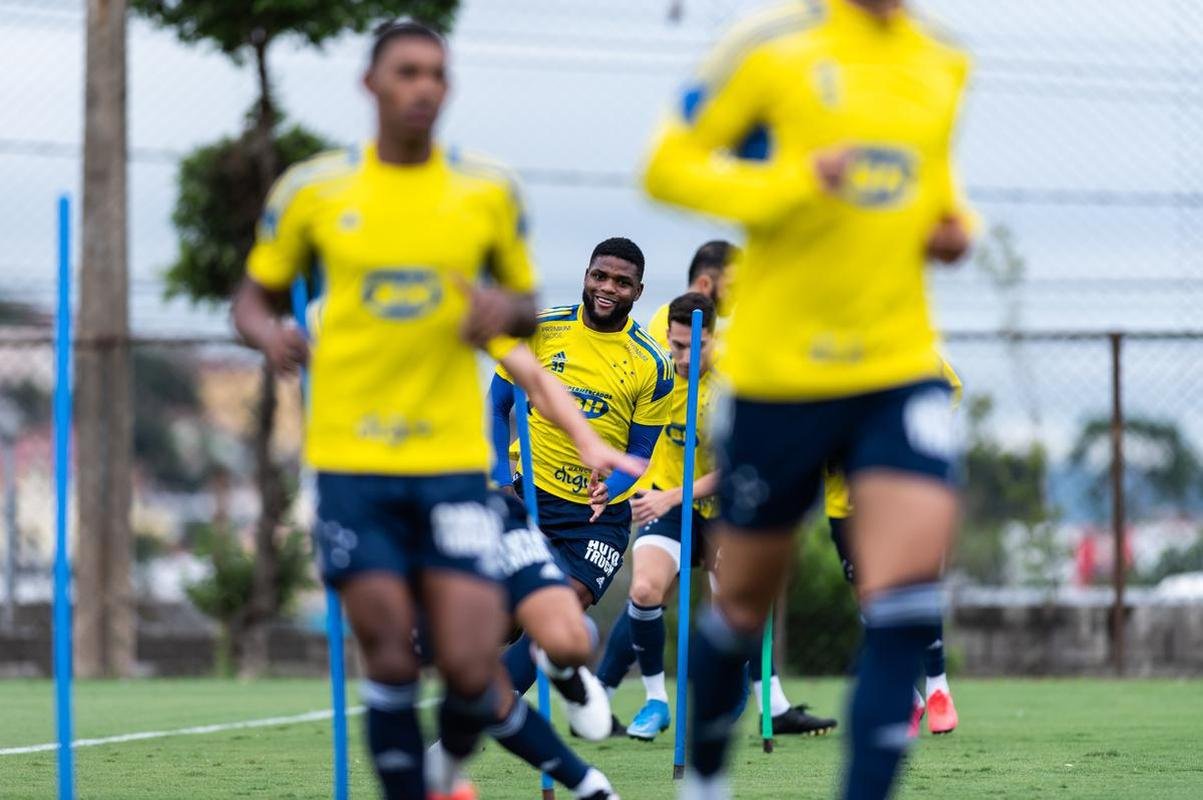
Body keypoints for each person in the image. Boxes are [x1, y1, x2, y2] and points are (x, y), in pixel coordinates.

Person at [642, 1, 975, 797]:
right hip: (780, 371)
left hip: (895, 365)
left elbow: (933, 189)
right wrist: (794, 180)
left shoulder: (941, 61)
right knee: (744, 602)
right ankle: (706, 770)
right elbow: (665, 167)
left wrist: (953, 225)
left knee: (901, 597)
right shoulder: (767, 44)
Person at [232, 20, 539, 800]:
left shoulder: (489, 190)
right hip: (352, 463)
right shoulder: (313, 189)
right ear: (370, 83)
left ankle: (443, 770)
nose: (423, 87)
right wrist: (270, 336)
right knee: (393, 657)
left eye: (437, 73)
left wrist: (502, 309)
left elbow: (529, 302)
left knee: (473, 666)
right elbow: (252, 295)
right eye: (406, 72)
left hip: (451, 465)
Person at [595, 293, 836, 741]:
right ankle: (655, 700)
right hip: (666, 504)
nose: (682, 357)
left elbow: (739, 469)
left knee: (735, 610)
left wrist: (673, 496)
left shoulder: (735, 383)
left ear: (712, 340)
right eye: (675, 345)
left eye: (693, 347)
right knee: (645, 590)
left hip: (724, 512)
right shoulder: (657, 375)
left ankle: (738, 698)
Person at [426, 340, 633, 800]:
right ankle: (588, 783)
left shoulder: (472, 305)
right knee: (472, 643)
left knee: (564, 627)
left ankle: (565, 671)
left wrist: (587, 444)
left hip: (589, 520)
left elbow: (528, 376)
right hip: (455, 500)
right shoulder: (350, 320)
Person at [490, 237, 675, 698]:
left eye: (622, 282)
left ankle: (485, 712)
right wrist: (498, 480)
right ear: (586, 276)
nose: (607, 288)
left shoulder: (653, 364)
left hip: (597, 519)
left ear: (638, 291)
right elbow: (496, 407)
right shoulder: (540, 330)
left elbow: (640, 454)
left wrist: (609, 489)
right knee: (497, 621)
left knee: (557, 620)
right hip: (529, 497)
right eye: (600, 275)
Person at [826, 359, 964, 738]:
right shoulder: (812, 352)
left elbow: (946, 391)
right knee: (871, 604)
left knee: (914, 589)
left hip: (897, 493)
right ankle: (910, 699)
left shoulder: (899, 343)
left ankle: (938, 689)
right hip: (845, 505)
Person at [643, 240, 737, 339]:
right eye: (731, 287)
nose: (738, 296)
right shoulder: (671, 320)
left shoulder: (713, 327)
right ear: (705, 284)